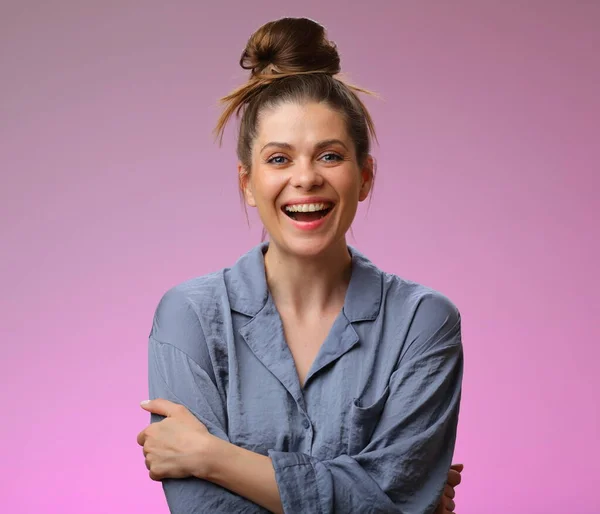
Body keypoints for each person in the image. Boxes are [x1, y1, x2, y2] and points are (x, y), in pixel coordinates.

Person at [136, 17, 464, 514]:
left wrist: (213, 457)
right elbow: (204, 510)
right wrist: (373, 496)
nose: (306, 178)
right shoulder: (190, 317)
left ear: (365, 176)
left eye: (329, 155)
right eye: (279, 159)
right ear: (247, 182)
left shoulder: (424, 322)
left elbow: (401, 499)